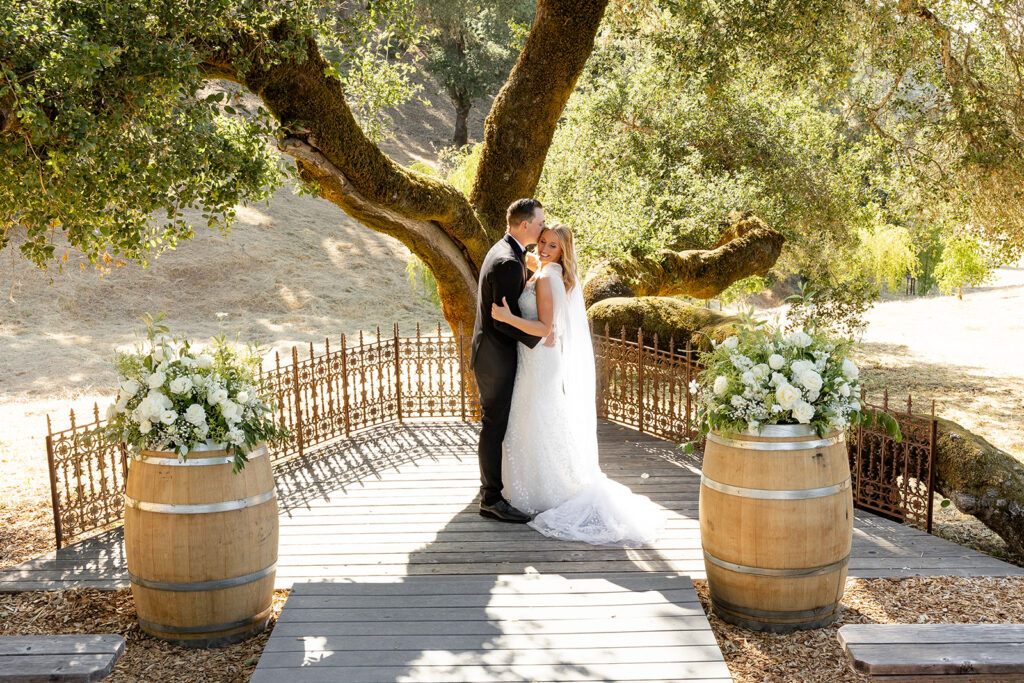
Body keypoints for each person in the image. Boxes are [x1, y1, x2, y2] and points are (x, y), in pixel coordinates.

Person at [491, 223, 665, 546]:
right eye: (541, 241)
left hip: (540, 361)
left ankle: (545, 489)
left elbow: (545, 328)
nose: (542, 249)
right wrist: (520, 247)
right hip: (541, 360)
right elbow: (532, 262)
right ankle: (545, 480)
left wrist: (505, 317)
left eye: (551, 246)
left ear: (563, 251)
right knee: (539, 417)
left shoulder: (545, 278)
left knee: (534, 417)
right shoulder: (553, 272)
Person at [469, 198, 546, 523]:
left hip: (491, 353)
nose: (543, 227)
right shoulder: (508, 262)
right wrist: (540, 338)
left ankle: (493, 489)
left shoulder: (506, 250)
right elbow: (502, 319)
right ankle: (491, 499)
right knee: (493, 425)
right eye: (540, 222)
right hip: (495, 359)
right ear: (525, 225)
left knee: (495, 423)